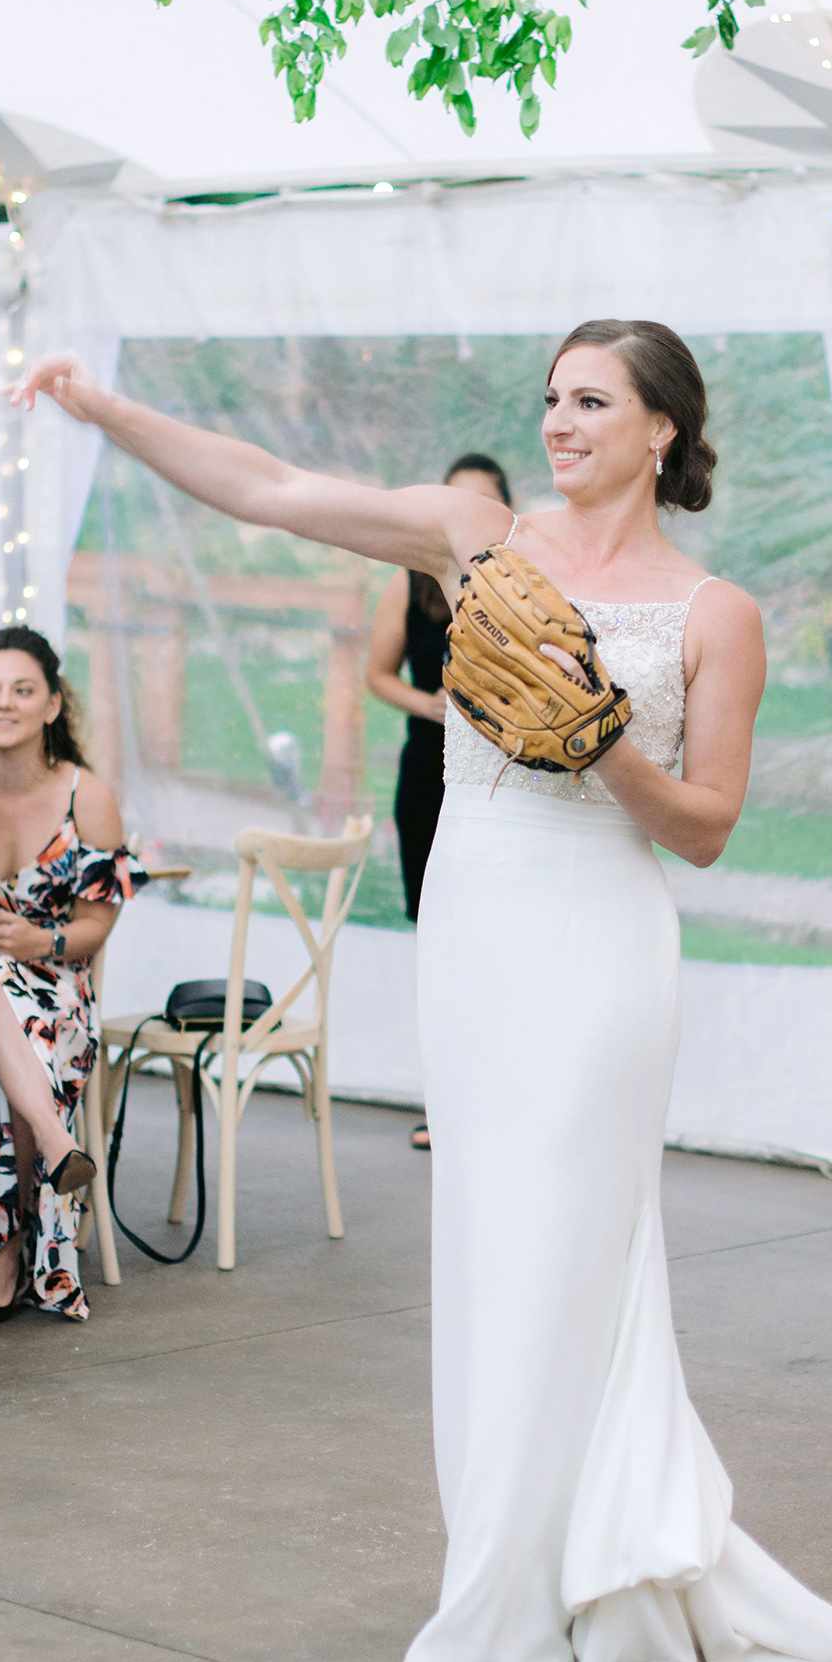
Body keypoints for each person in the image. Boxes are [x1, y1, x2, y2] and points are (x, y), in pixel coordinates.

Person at [9, 323, 832, 1662]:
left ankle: (513, 1613)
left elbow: (713, 828)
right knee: (494, 1255)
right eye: (551, 397)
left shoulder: (713, 611)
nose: (560, 422)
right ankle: (522, 1576)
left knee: (571, 1250)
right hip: (478, 921)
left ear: (662, 427)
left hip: (605, 935)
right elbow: (266, 487)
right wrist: (99, 405)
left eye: (592, 401)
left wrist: (606, 742)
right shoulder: (473, 534)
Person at [0, 626, 131, 1327]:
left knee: (9, 1010)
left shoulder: (88, 797)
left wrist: (36, 938)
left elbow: (96, 926)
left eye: (22, 690)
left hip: (58, 986)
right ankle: (55, 1156)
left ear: (53, 704)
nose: (3, 704)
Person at [366, 451, 512, 1154]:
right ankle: (443, 1102)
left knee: (498, 940)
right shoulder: (413, 582)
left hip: (503, 781)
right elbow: (376, 674)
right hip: (429, 775)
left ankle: (498, 1094)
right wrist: (430, 706)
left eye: (480, 503)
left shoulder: (525, 588)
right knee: (440, 942)